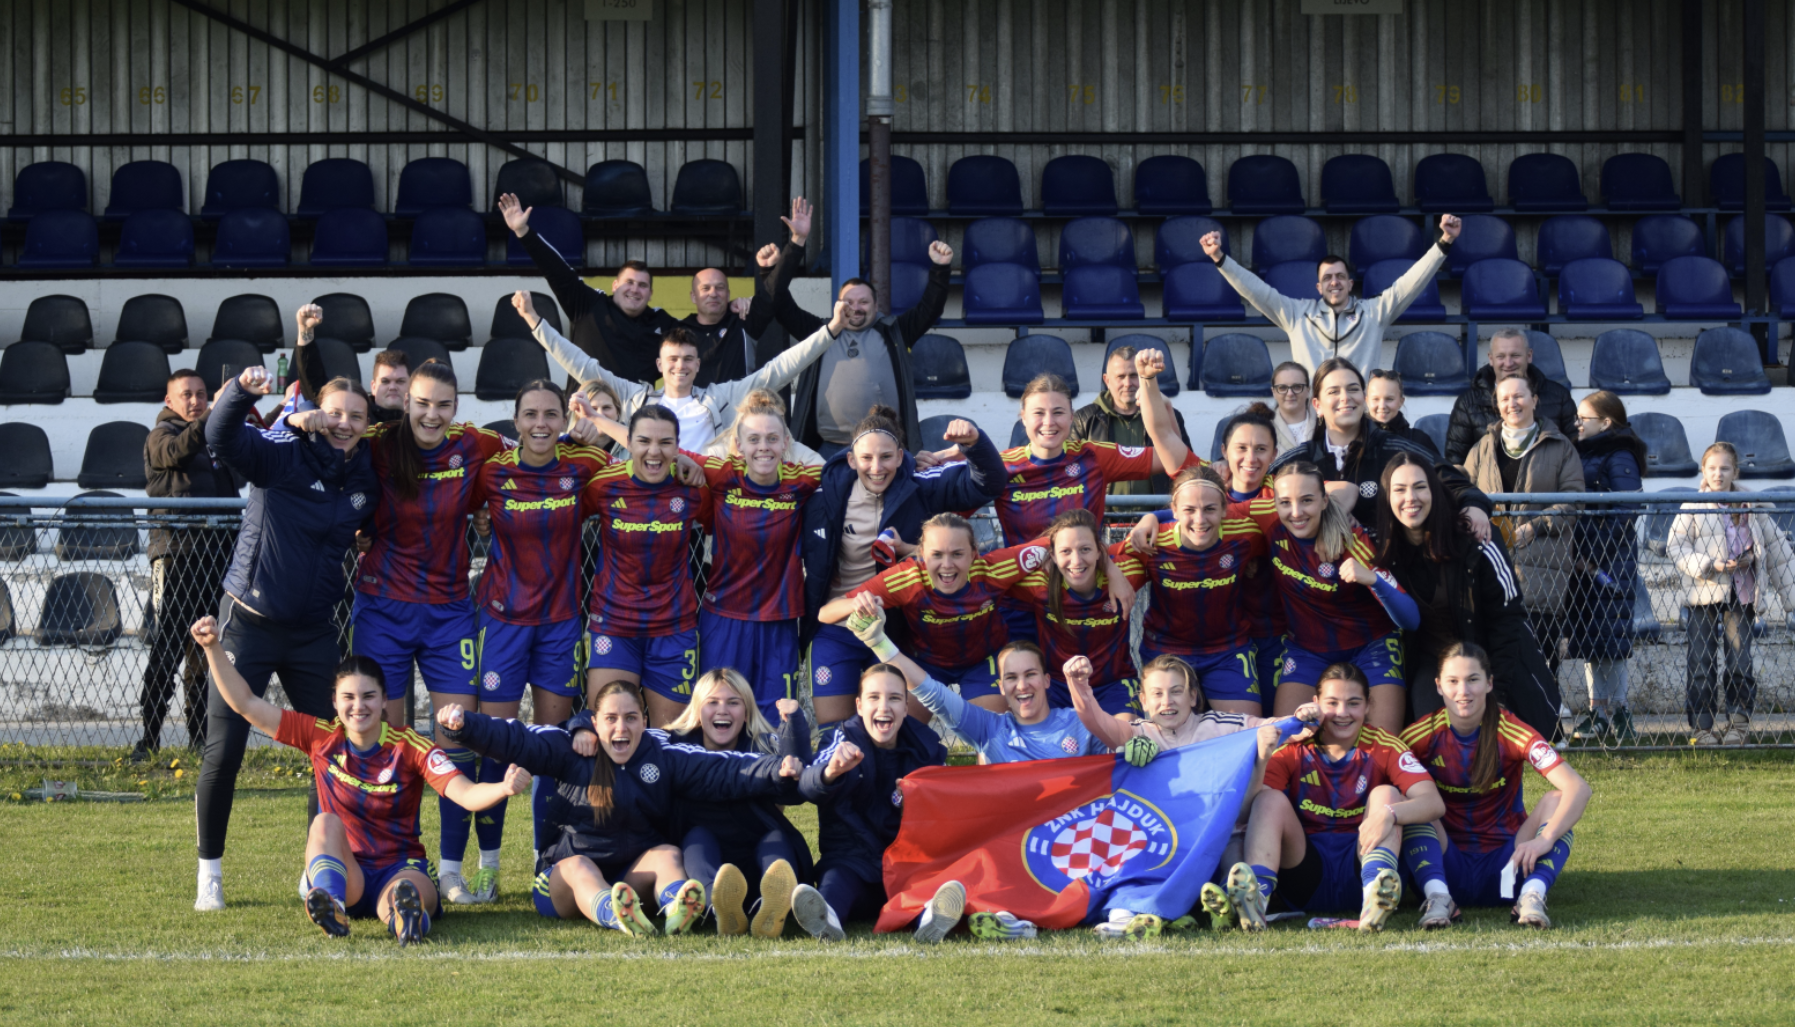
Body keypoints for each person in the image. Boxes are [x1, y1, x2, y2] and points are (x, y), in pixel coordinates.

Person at [190, 615, 525, 942]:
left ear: (383, 702)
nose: (358, 706)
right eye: (348, 697)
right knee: (323, 824)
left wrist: (504, 787)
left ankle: (407, 919)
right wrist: (213, 648)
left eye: (368, 697)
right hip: (348, 873)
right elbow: (246, 704)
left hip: (400, 866)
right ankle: (332, 906)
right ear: (334, 702)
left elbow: (465, 794)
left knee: (406, 895)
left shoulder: (411, 746)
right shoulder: (319, 736)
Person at [194, 367, 377, 912]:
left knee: (332, 750)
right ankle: (210, 873)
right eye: (336, 413)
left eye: (357, 416)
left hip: (315, 632)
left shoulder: (367, 475)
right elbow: (219, 437)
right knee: (224, 751)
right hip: (248, 623)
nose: (345, 425)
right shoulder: (284, 449)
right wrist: (245, 393)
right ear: (319, 414)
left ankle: (316, 871)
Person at [438, 680, 804, 936]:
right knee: (580, 867)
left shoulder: (662, 754)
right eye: (611, 719)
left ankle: (679, 909)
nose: (621, 727)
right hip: (565, 881)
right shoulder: (570, 747)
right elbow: (516, 738)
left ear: (644, 721)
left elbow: (723, 769)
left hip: (630, 875)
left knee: (666, 853)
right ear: (594, 723)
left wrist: (777, 769)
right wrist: (464, 726)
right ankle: (616, 916)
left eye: (631, 718)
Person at [351, 360, 512, 903]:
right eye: (422, 403)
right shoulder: (378, 442)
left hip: (448, 615)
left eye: (443, 404)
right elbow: (327, 436)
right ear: (405, 402)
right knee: (389, 745)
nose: (432, 414)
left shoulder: (477, 444)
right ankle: (393, 857)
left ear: (456, 407)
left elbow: (539, 446)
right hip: (383, 610)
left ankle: (449, 869)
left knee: (456, 738)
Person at [453, 380, 613, 904]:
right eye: (530, 415)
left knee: (552, 746)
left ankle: (547, 860)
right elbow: (455, 506)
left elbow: (637, 455)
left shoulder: (582, 464)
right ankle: (489, 866)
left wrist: (602, 429)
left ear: (562, 419)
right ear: (515, 420)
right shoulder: (493, 471)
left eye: (550, 414)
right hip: (501, 622)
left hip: (561, 624)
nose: (541, 424)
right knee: (496, 744)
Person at [802, 406, 1004, 732]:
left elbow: (989, 483)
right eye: (866, 458)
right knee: (835, 733)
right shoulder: (823, 498)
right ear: (851, 459)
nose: (876, 467)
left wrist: (974, 444)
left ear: (900, 457)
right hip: (837, 626)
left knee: (890, 731)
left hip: (892, 631)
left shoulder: (920, 486)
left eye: (886, 458)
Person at [569, 670, 813, 938]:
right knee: (696, 840)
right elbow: (623, 724)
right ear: (697, 710)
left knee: (776, 840)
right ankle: (718, 907)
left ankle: (770, 905)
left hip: (754, 848)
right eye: (712, 702)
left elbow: (796, 785)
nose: (723, 710)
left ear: (747, 711)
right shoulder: (672, 743)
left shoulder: (763, 744)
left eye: (733, 702)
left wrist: (795, 723)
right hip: (702, 855)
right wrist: (583, 725)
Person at [1225, 664, 1445, 932]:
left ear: (1367, 706)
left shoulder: (1384, 745)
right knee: (1268, 799)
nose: (1342, 713)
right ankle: (1256, 898)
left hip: (1361, 865)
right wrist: (1262, 759)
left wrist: (1389, 813)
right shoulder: (1294, 746)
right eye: (1332, 703)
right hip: (1304, 875)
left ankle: (1374, 898)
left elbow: (1433, 803)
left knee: (1387, 794)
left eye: (1353, 703)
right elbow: (1247, 813)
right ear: (1315, 704)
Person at [1400, 643, 1592, 929]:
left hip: (1511, 868)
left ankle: (1532, 896)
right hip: (1444, 866)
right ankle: (1438, 898)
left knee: (1556, 799)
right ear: (1439, 686)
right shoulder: (1420, 735)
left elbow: (1579, 788)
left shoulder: (1512, 730)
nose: (1463, 692)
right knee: (1405, 800)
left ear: (1489, 683)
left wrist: (1545, 839)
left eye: (1473, 680)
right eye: (1453, 681)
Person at [1372, 453, 1562, 738]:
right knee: (1434, 747)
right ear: (1387, 497)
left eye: (1420, 487)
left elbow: (1508, 620)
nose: (1410, 498)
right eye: (1399, 489)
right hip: (1430, 663)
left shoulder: (1475, 538)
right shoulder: (1383, 551)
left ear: (1435, 491)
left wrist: (1496, 696)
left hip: (1486, 658)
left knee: (1490, 755)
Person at [521, 286, 839, 455]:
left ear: (698, 365)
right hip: (645, 506)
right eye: (672, 359)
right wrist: (536, 321)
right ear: (660, 365)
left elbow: (780, 369)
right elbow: (581, 363)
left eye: (688, 359)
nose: (680, 366)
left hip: (699, 509)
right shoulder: (636, 397)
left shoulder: (721, 398)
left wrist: (831, 330)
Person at [1244, 462, 1421, 734]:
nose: (1296, 512)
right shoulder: (1267, 515)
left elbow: (1411, 618)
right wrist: (1154, 517)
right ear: (1275, 503)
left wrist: (1373, 579)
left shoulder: (1350, 538)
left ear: (1325, 500)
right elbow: (1214, 509)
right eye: (1285, 503)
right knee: (1284, 740)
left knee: (1383, 745)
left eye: (1307, 501)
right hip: (1307, 649)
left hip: (1371, 646)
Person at [789, 664, 957, 943]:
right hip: (852, 861)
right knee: (836, 882)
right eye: (874, 697)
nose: (884, 707)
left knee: (927, 884)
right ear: (859, 705)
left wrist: (917, 804)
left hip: (906, 863)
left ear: (906, 706)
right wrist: (832, 772)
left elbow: (945, 809)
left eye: (894, 698)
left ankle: (930, 919)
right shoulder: (840, 739)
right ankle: (826, 918)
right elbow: (807, 785)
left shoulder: (926, 747)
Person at [846, 593, 1111, 764]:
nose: (1022, 685)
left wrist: (1140, 740)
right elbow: (933, 693)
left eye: (1030, 674)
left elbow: (1126, 745)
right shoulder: (990, 728)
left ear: (1046, 680)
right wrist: (878, 642)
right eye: (1011, 677)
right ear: (1001, 687)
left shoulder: (1080, 721)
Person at [765, 230, 955, 456]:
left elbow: (930, 308)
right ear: (836, 305)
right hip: (826, 449)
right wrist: (770, 270)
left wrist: (940, 268)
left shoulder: (896, 331)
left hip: (883, 448)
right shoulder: (817, 332)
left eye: (863, 302)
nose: (856, 307)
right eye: (848, 301)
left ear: (876, 306)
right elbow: (780, 305)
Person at [581, 405, 713, 727]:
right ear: (628, 442)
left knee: (670, 740)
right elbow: (561, 515)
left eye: (666, 443)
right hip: (614, 624)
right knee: (607, 731)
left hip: (674, 628)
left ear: (678, 446)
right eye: (643, 441)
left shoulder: (694, 489)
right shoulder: (603, 485)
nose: (654, 451)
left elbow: (729, 524)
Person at [691, 397, 823, 719]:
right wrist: (598, 420)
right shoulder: (722, 475)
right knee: (719, 712)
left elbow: (860, 463)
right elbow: (660, 447)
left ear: (786, 443)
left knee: (777, 719)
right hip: (723, 616)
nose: (763, 447)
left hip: (778, 619)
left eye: (772, 439)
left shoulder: (802, 480)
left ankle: (777, 771)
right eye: (753, 439)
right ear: (738, 446)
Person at [1202, 215, 1462, 375]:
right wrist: (1219, 258)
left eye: (1340, 277)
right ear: (1318, 287)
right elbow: (1256, 291)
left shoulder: (1373, 313)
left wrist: (1444, 243)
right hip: (1312, 416)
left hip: (1360, 416)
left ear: (1350, 284)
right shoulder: (1296, 314)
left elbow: (1411, 283)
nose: (1334, 282)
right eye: (1327, 278)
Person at [818, 513, 1024, 714]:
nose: (947, 565)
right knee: (907, 733)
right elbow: (825, 613)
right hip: (925, 664)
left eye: (957, 554)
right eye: (937, 554)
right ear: (922, 554)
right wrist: (856, 602)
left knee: (992, 733)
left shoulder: (995, 567)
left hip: (983, 660)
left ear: (974, 553)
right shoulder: (907, 578)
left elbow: (1050, 543)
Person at [135, 368, 239, 761]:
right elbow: (176, 453)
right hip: (177, 556)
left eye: (201, 394)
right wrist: (216, 415)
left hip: (218, 558)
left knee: (208, 649)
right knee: (168, 646)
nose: (196, 401)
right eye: (187, 395)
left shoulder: (216, 439)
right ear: (169, 402)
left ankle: (199, 739)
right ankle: (149, 739)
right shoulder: (160, 435)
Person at [1271, 357, 1493, 538]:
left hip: (1387, 578)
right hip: (1318, 583)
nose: (1345, 397)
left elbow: (1459, 485)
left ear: (1363, 398)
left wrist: (1474, 506)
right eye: (1334, 391)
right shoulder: (1298, 461)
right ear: (1317, 405)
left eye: (1353, 389)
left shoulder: (1398, 450)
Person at [1667, 443, 1795, 746]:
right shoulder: (1691, 506)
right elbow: (1676, 547)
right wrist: (1709, 564)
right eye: (1712, 468)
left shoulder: (1754, 505)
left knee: (1739, 661)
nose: (1718, 474)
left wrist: (1789, 596)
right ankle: (1702, 727)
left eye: (1724, 468)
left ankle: (1738, 724)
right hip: (1703, 594)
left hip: (1743, 594)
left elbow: (1780, 554)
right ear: (1703, 471)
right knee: (1700, 661)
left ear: (1735, 471)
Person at [1462, 374, 1585, 674]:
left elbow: (1574, 500)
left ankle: (1548, 719)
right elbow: (1464, 493)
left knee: (1542, 661)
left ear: (1534, 400)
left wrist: (1536, 526)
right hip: (1492, 566)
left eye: (1519, 396)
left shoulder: (1560, 447)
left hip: (1543, 568)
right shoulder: (1482, 447)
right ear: (1497, 405)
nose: (1512, 403)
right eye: (1504, 398)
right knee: (1496, 660)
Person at [1126, 466, 1272, 715]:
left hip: (1228, 651)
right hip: (1167, 650)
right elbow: (1093, 554)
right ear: (1174, 510)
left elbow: (1302, 510)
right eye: (1189, 510)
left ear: (1226, 509)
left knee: (1246, 737)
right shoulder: (1152, 542)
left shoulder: (1245, 534)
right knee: (1166, 737)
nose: (1200, 519)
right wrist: (1110, 568)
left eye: (1210, 509)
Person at [499, 193, 681, 386]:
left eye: (643, 285)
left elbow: (702, 339)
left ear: (650, 294)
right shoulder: (589, 305)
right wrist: (523, 231)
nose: (635, 289)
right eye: (629, 282)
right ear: (615, 285)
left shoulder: (662, 322)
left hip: (634, 414)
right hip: (585, 411)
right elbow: (556, 269)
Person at [1567, 391, 1647, 743]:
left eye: (1584, 417)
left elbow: (1627, 509)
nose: (1577, 423)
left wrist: (1594, 556)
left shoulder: (1620, 453)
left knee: (1612, 642)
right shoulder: (1584, 452)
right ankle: (1596, 711)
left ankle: (1620, 711)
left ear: (1606, 422)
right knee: (1593, 641)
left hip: (1610, 563)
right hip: (1584, 562)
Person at [680, 198, 812, 386]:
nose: (713, 293)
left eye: (720, 288)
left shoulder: (744, 321)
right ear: (693, 297)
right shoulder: (677, 331)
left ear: (728, 294)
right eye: (705, 288)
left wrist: (797, 241)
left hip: (740, 412)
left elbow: (774, 290)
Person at [1070, 344, 1193, 496]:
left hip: (1156, 516)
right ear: (1107, 381)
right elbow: (1068, 472)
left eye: (1134, 376)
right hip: (1103, 518)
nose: (1128, 384)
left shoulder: (1168, 416)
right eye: (1121, 377)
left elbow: (1187, 468)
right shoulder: (1083, 419)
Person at [1444, 329, 1579, 465]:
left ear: (1529, 356)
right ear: (1491, 359)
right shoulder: (1467, 403)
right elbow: (1456, 461)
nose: (1508, 363)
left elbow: (1575, 451)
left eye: (1515, 355)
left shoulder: (1559, 396)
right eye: (1501, 356)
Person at [292, 303, 409, 425]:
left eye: (400, 381)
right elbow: (315, 385)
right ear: (373, 387)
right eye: (385, 381)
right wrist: (305, 331)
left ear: (411, 387)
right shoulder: (354, 414)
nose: (392, 387)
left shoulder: (421, 421)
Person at [1365, 370, 1438, 457]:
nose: (1382, 406)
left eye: (1389, 399)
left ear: (1401, 401)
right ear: (1367, 401)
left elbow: (1441, 469)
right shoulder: (1355, 437)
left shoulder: (1419, 440)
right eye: (1376, 399)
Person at [1268, 362, 1315, 455]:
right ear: (1274, 392)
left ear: (1308, 390)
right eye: (1282, 388)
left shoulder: (1325, 424)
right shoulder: (1264, 427)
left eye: (1297, 387)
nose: (1290, 393)